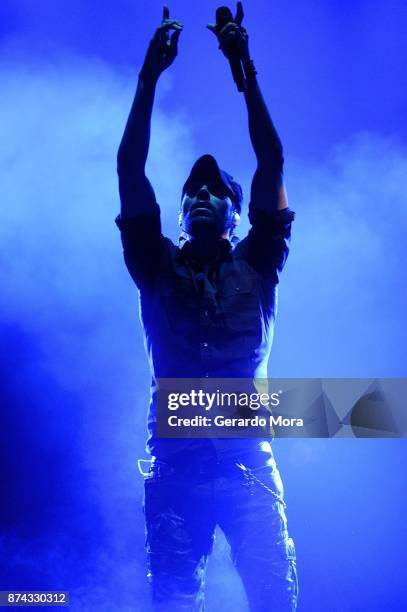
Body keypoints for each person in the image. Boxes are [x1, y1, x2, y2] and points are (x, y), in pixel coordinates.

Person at [115, 4, 298, 610]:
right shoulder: (155, 264)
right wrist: (149, 79)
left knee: (275, 597)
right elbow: (128, 168)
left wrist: (244, 69)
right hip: (175, 472)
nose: (200, 195)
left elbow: (271, 161)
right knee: (172, 602)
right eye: (192, 190)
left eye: (216, 191)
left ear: (236, 214)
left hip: (248, 466)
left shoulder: (259, 263)